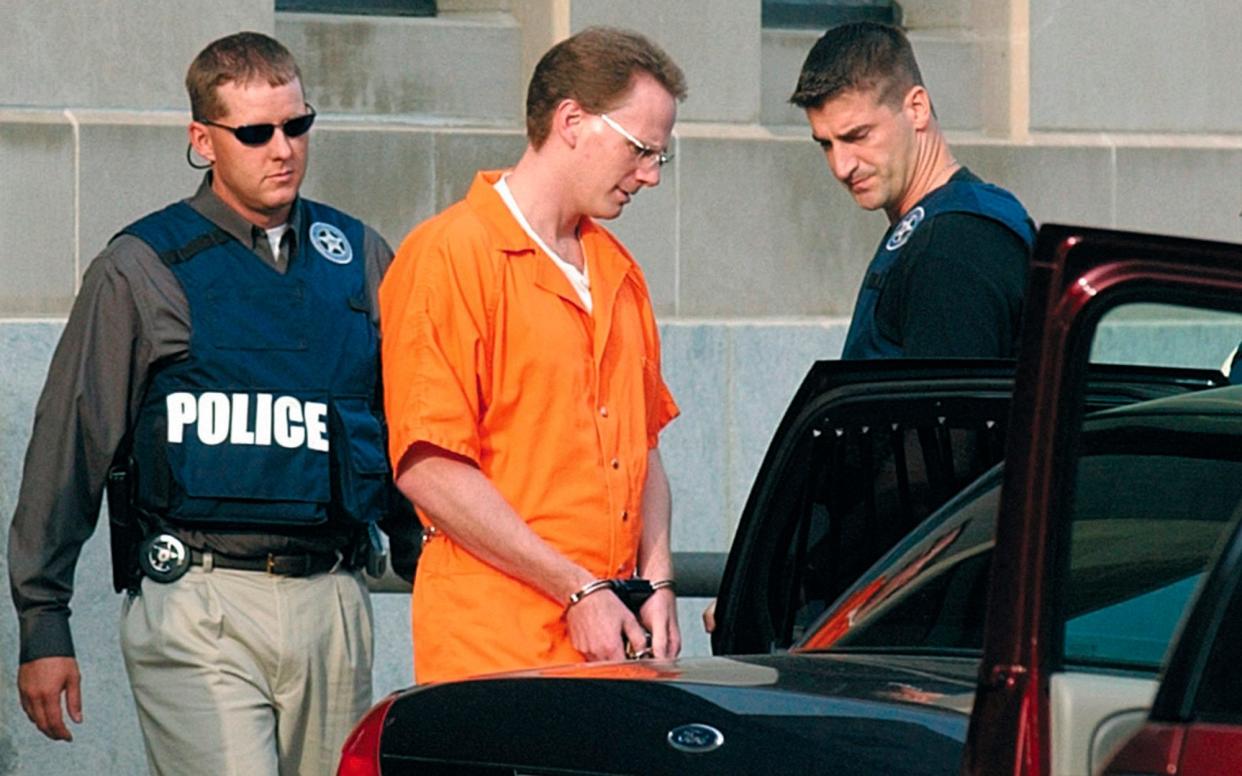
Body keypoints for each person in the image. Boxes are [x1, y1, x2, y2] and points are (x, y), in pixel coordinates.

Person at [8, 31, 411, 776]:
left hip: (335, 597)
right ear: (203, 140)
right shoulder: (144, 264)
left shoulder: (359, 256)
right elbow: (70, 442)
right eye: (255, 132)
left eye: (297, 125)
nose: (282, 148)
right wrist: (44, 620)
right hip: (200, 602)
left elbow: (406, 423)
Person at [380, 26, 686, 684]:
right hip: (494, 654)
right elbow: (428, 469)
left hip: (614, 647)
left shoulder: (619, 271)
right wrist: (576, 588)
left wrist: (658, 582)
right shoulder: (450, 255)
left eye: (663, 155)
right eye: (640, 150)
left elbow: (645, 451)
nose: (652, 175)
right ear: (571, 120)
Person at [790, 21, 1037, 359]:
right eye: (826, 145)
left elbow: (947, 409)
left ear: (917, 109)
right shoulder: (951, 224)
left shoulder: (952, 242)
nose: (841, 166)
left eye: (857, 136)